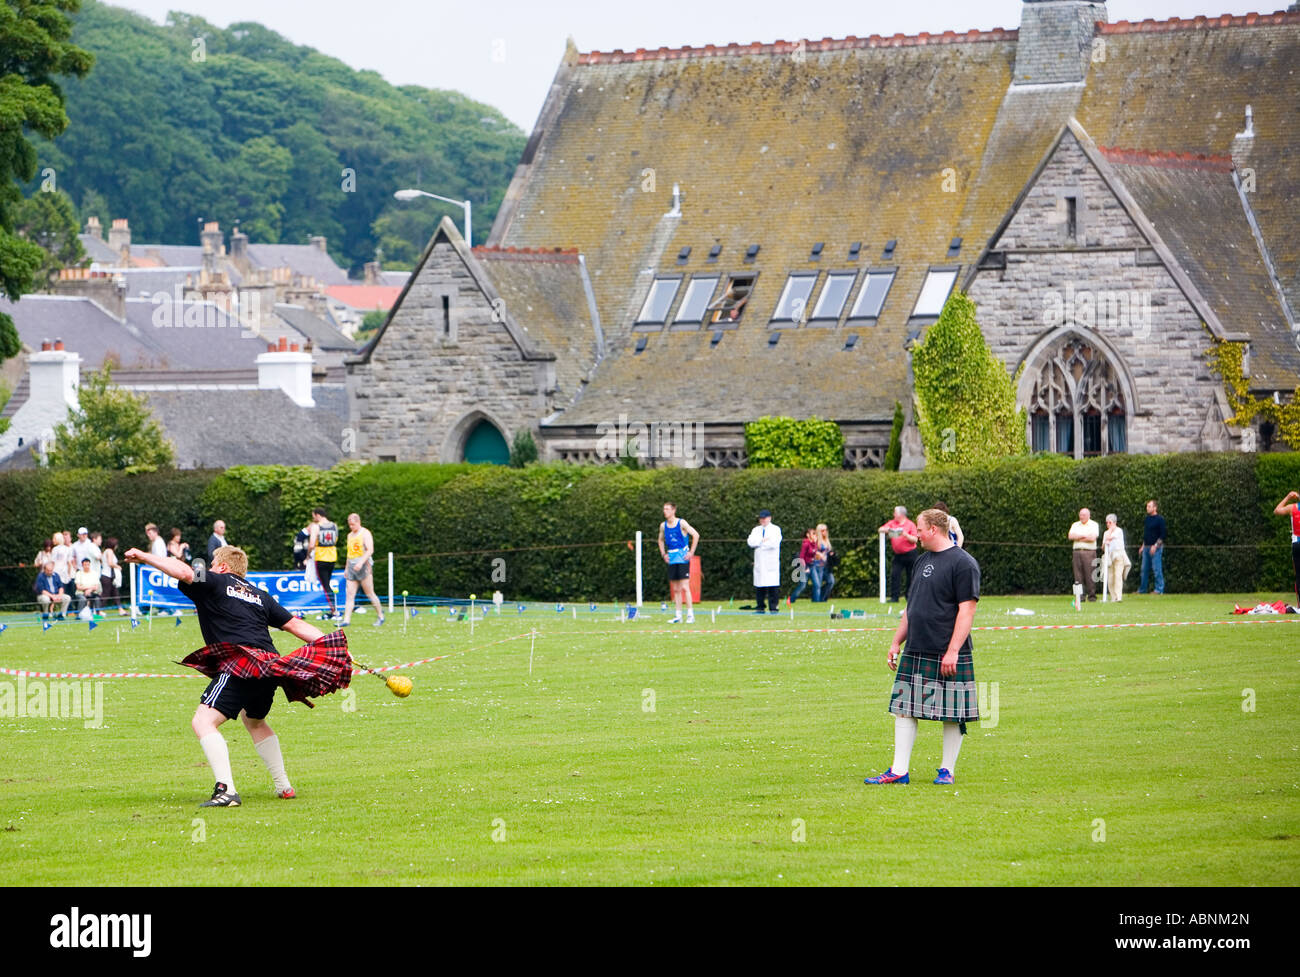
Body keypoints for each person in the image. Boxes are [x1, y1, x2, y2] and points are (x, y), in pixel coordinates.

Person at [122, 542, 352, 807]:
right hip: (270, 666)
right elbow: (294, 625)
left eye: (211, 565)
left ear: (222, 567)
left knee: (203, 722)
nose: (208, 569)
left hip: (241, 663)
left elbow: (184, 572)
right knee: (254, 721)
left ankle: (226, 791)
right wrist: (334, 646)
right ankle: (284, 786)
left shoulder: (215, 581)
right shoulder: (259, 594)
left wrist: (144, 557)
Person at [865, 508, 981, 786]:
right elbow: (911, 606)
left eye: (918, 529)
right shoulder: (921, 560)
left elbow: (967, 610)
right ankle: (899, 771)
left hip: (947, 648)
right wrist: (896, 641)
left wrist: (953, 650)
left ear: (933, 529)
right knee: (904, 707)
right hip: (917, 645)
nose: (915, 534)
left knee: (952, 712)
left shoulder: (964, 563)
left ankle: (947, 770)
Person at [341, 512, 385, 627]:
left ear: (358, 522)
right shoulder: (349, 536)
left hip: (364, 566)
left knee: (370, 593)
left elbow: (370, 550)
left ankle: (380, 615)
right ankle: (346, 620)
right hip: (352, 567)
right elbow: (349, 553)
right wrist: (346, 568)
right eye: (350, 525)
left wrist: (361, 563)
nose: (351, 527)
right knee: (350, 594)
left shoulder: (365, 533)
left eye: (353, 524)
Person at [657, 502, 699, 624]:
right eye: (664, 509)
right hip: (672, 559)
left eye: (667, 509)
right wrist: (663, 554)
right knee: (676, 589)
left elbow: (696, 535)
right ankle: (678, 616)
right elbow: (660, 540)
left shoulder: (681, 523)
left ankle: (690, 615)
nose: (665, 511)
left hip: (682, 558)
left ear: (673, 510)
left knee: (685, 587)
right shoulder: (663, 526)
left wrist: (691, 552)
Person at [879, 506, 919, 603]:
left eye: (895, 513)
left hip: (910, 554)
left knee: (911, 576)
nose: (893, 514)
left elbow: (915, 539)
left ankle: (909, 596)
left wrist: (905, 535)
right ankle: (894, 597)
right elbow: (880, 529)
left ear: (901, 514)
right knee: (895, 575)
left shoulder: (910, 524)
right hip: (898, 555)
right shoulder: (892, 523)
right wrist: (888, 530)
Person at [746, 509, 782, 613]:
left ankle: (773, 607)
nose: (762, 520)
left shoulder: (775, 529)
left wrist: (759, 543)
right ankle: (760, 606)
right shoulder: (756, 530)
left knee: (772, 586)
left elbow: (774, 543)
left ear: (769, 518)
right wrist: (762, 541)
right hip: (759, 562)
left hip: (771, 562)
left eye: (764, 518)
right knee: (759, 586)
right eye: (761, 518)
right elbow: (750, 542)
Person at [309, 508, 340, 619]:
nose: (313, 518)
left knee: (326, 585)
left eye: (313, 516)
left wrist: (308, 555)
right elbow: (335, 540)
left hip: (321, 557)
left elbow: (312, 544)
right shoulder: (334, 526)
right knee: (328, 584)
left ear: (318, 515)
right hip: (332, 557)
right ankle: (334, 609)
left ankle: (334, 611)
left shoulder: (316, 527)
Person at [1068, 507, 1100, 602]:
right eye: (1080, 515)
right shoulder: (1075, 525)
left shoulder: (1094, 524)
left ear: (1088, 515)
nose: (1081, 517)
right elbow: (1070, 536)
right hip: (1077, 552)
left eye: (1084, 515)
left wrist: (1078, 537)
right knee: (1078, 576)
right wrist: (1084, 536)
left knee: (1090, 574)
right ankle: (1080, 596)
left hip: (1089, 552)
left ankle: (1092, 596)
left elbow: (1092, 538)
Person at [1275, 490, 1300, 603]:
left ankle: (1299, 605)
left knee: (1298, 576)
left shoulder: (1292, 508)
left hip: (1296, 544)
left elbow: (1277, 510)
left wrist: (1288, 497)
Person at [1138, 499, 1166, 595]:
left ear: (1155, 508)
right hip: (1146, 547)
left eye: (1149, 506)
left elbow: (1163, 535)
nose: (1147, 508)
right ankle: (1142, 590)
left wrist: (1155, 546)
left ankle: (1159, 590)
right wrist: (1143, 546)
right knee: (1144, 570)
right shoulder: (1147, 519)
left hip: (1156, 548)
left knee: (1157, 569)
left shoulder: (1160, 519)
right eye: (1147, 506)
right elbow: (1146, 534)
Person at [1102, 514, 1131, 602]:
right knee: (1110, 578)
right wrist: (1105, 543)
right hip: (1109, 557)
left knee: (1118, 576)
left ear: (1114, 522)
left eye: (1110, 522)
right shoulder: (1106, 533)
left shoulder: (1118, 531)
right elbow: (1103, 546)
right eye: (1107, 522)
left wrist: (1110, 530)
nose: (1108, 524)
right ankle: (1113, 597)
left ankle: (1118, 597)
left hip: (1118, 556)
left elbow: (1110, 538)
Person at [99, 535, 127, 614]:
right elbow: (110, 563)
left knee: (115, 593)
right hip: (107, 575)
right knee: (106, 594)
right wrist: (118, 566)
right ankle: (99, 610)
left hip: (110, 575)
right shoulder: (109, 551)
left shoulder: (105, 551)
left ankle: (120, 609)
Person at [790, 529, 818, 603]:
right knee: (802, 585)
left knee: (817, 584)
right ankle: (791, 600)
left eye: (815, 534)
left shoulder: (814, 543)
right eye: (813, 534)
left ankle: (816, 602)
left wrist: (814, 543)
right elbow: (801, 557)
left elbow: (814, 553)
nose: (815, 535)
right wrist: (805, 568)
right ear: (808, 535)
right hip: (804, 566)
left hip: (812, 565)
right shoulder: (805, 544)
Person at [814, 523, 836, 602]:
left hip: (827, 565)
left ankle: (822, 598)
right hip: (818, 565)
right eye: (823, 530)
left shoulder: (826, 540)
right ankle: (817, 600)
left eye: (826, 530)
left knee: (831, 581)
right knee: (818, 584)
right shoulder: (816, 540)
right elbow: (813, 551)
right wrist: (819, 554)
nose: (825, 532)